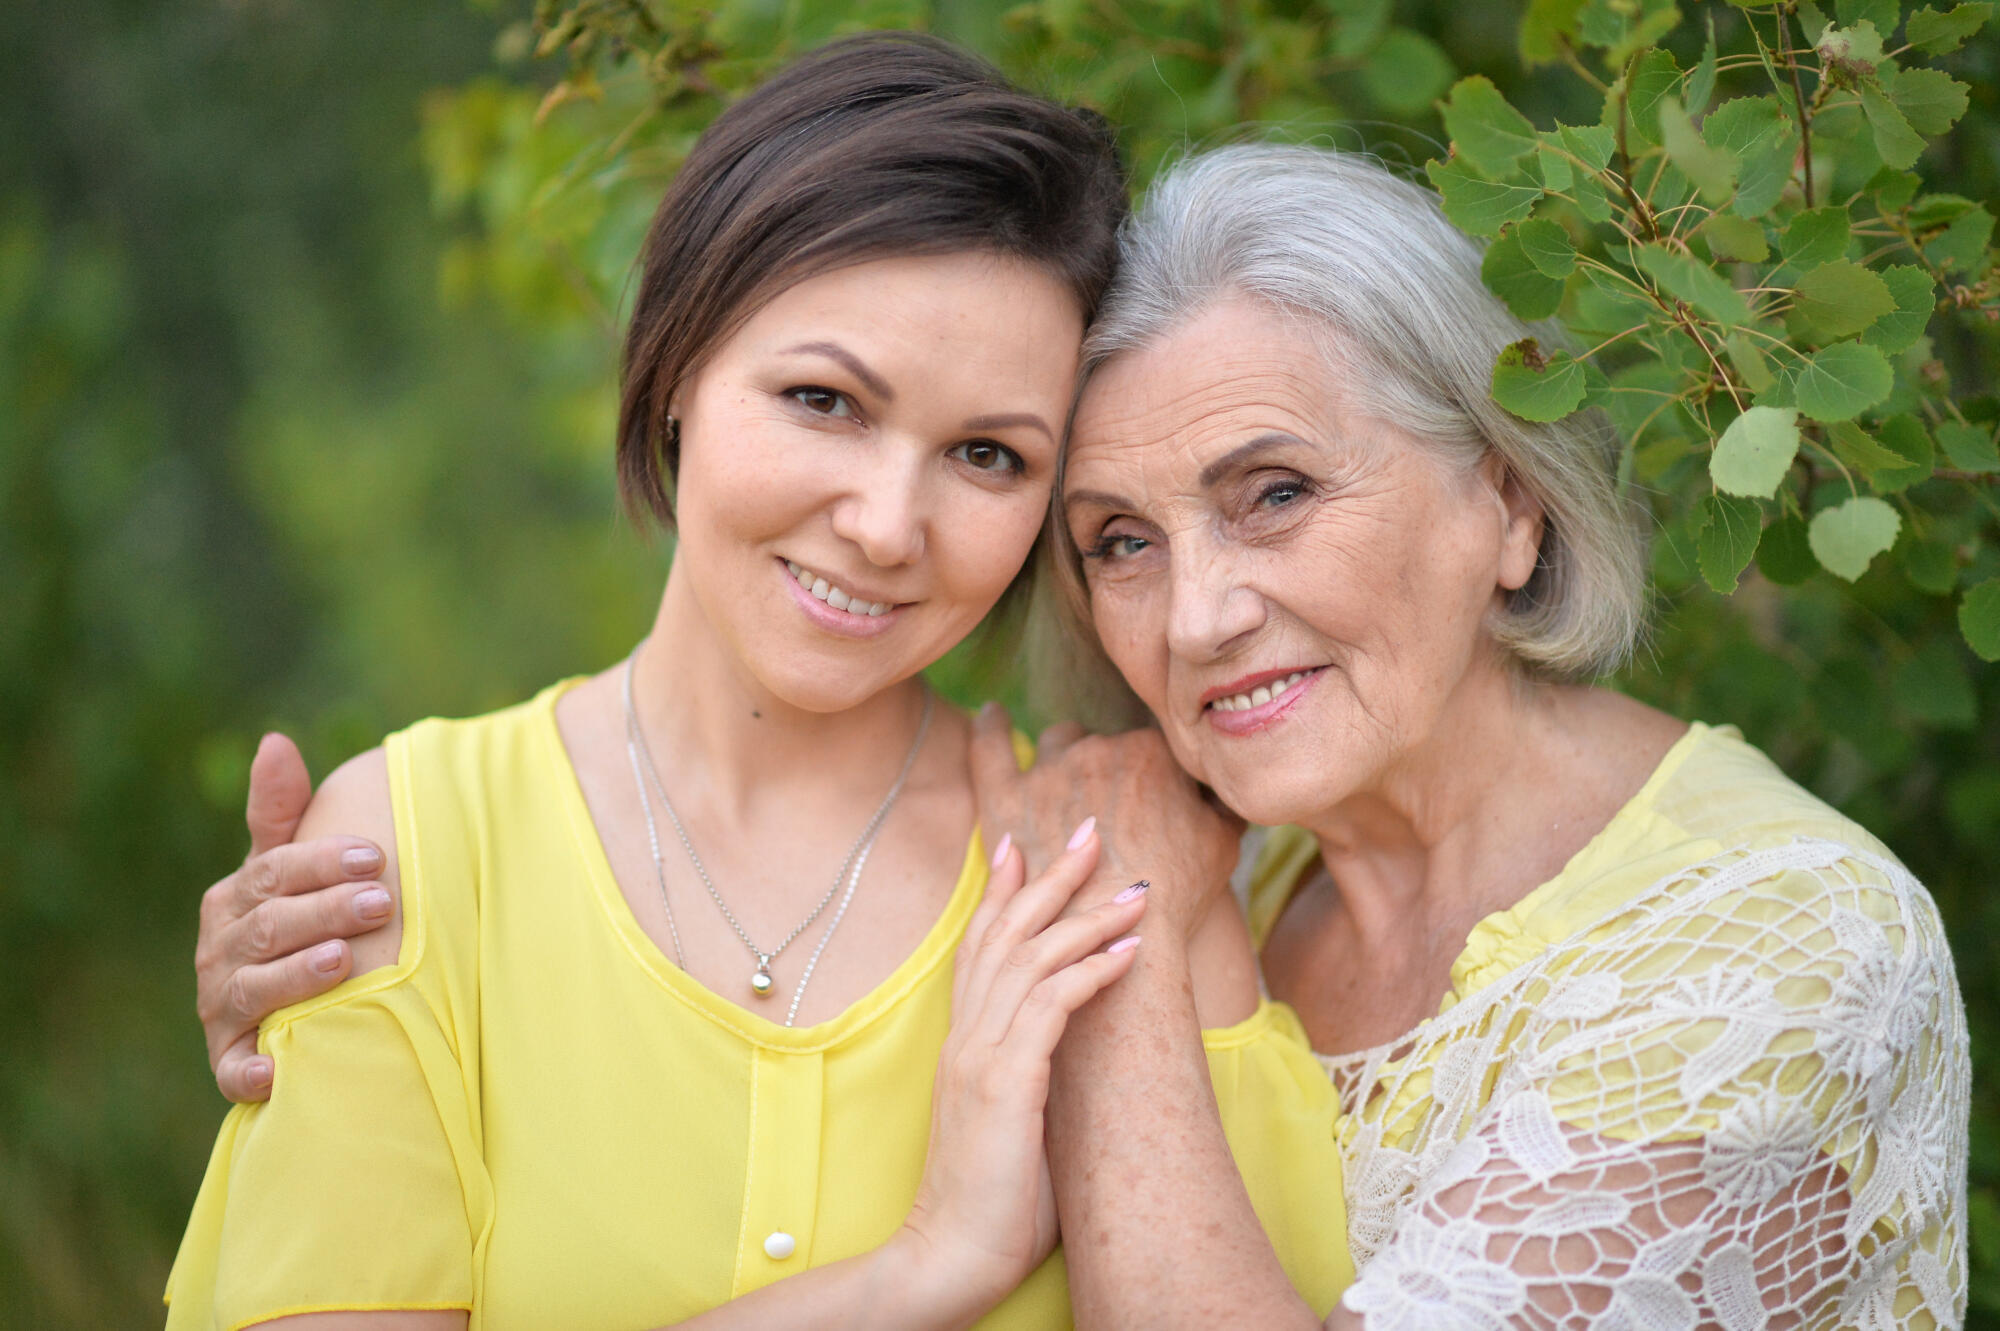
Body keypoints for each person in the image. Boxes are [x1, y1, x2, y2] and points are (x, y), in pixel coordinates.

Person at [190, 139, 1970, 1326]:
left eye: (1272, 494)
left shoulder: (1780, 951)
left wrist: (1117, 930)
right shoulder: (1237, 829)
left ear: (1509, 503)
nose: (1190, 618)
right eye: (1117, 539)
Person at [165, 41, 1350, 1331]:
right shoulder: (411, 854)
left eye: (988, 455)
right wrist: (929, 1265)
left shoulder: (1106, 895)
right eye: (825, 400)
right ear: (675, 372)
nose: (890, 525)